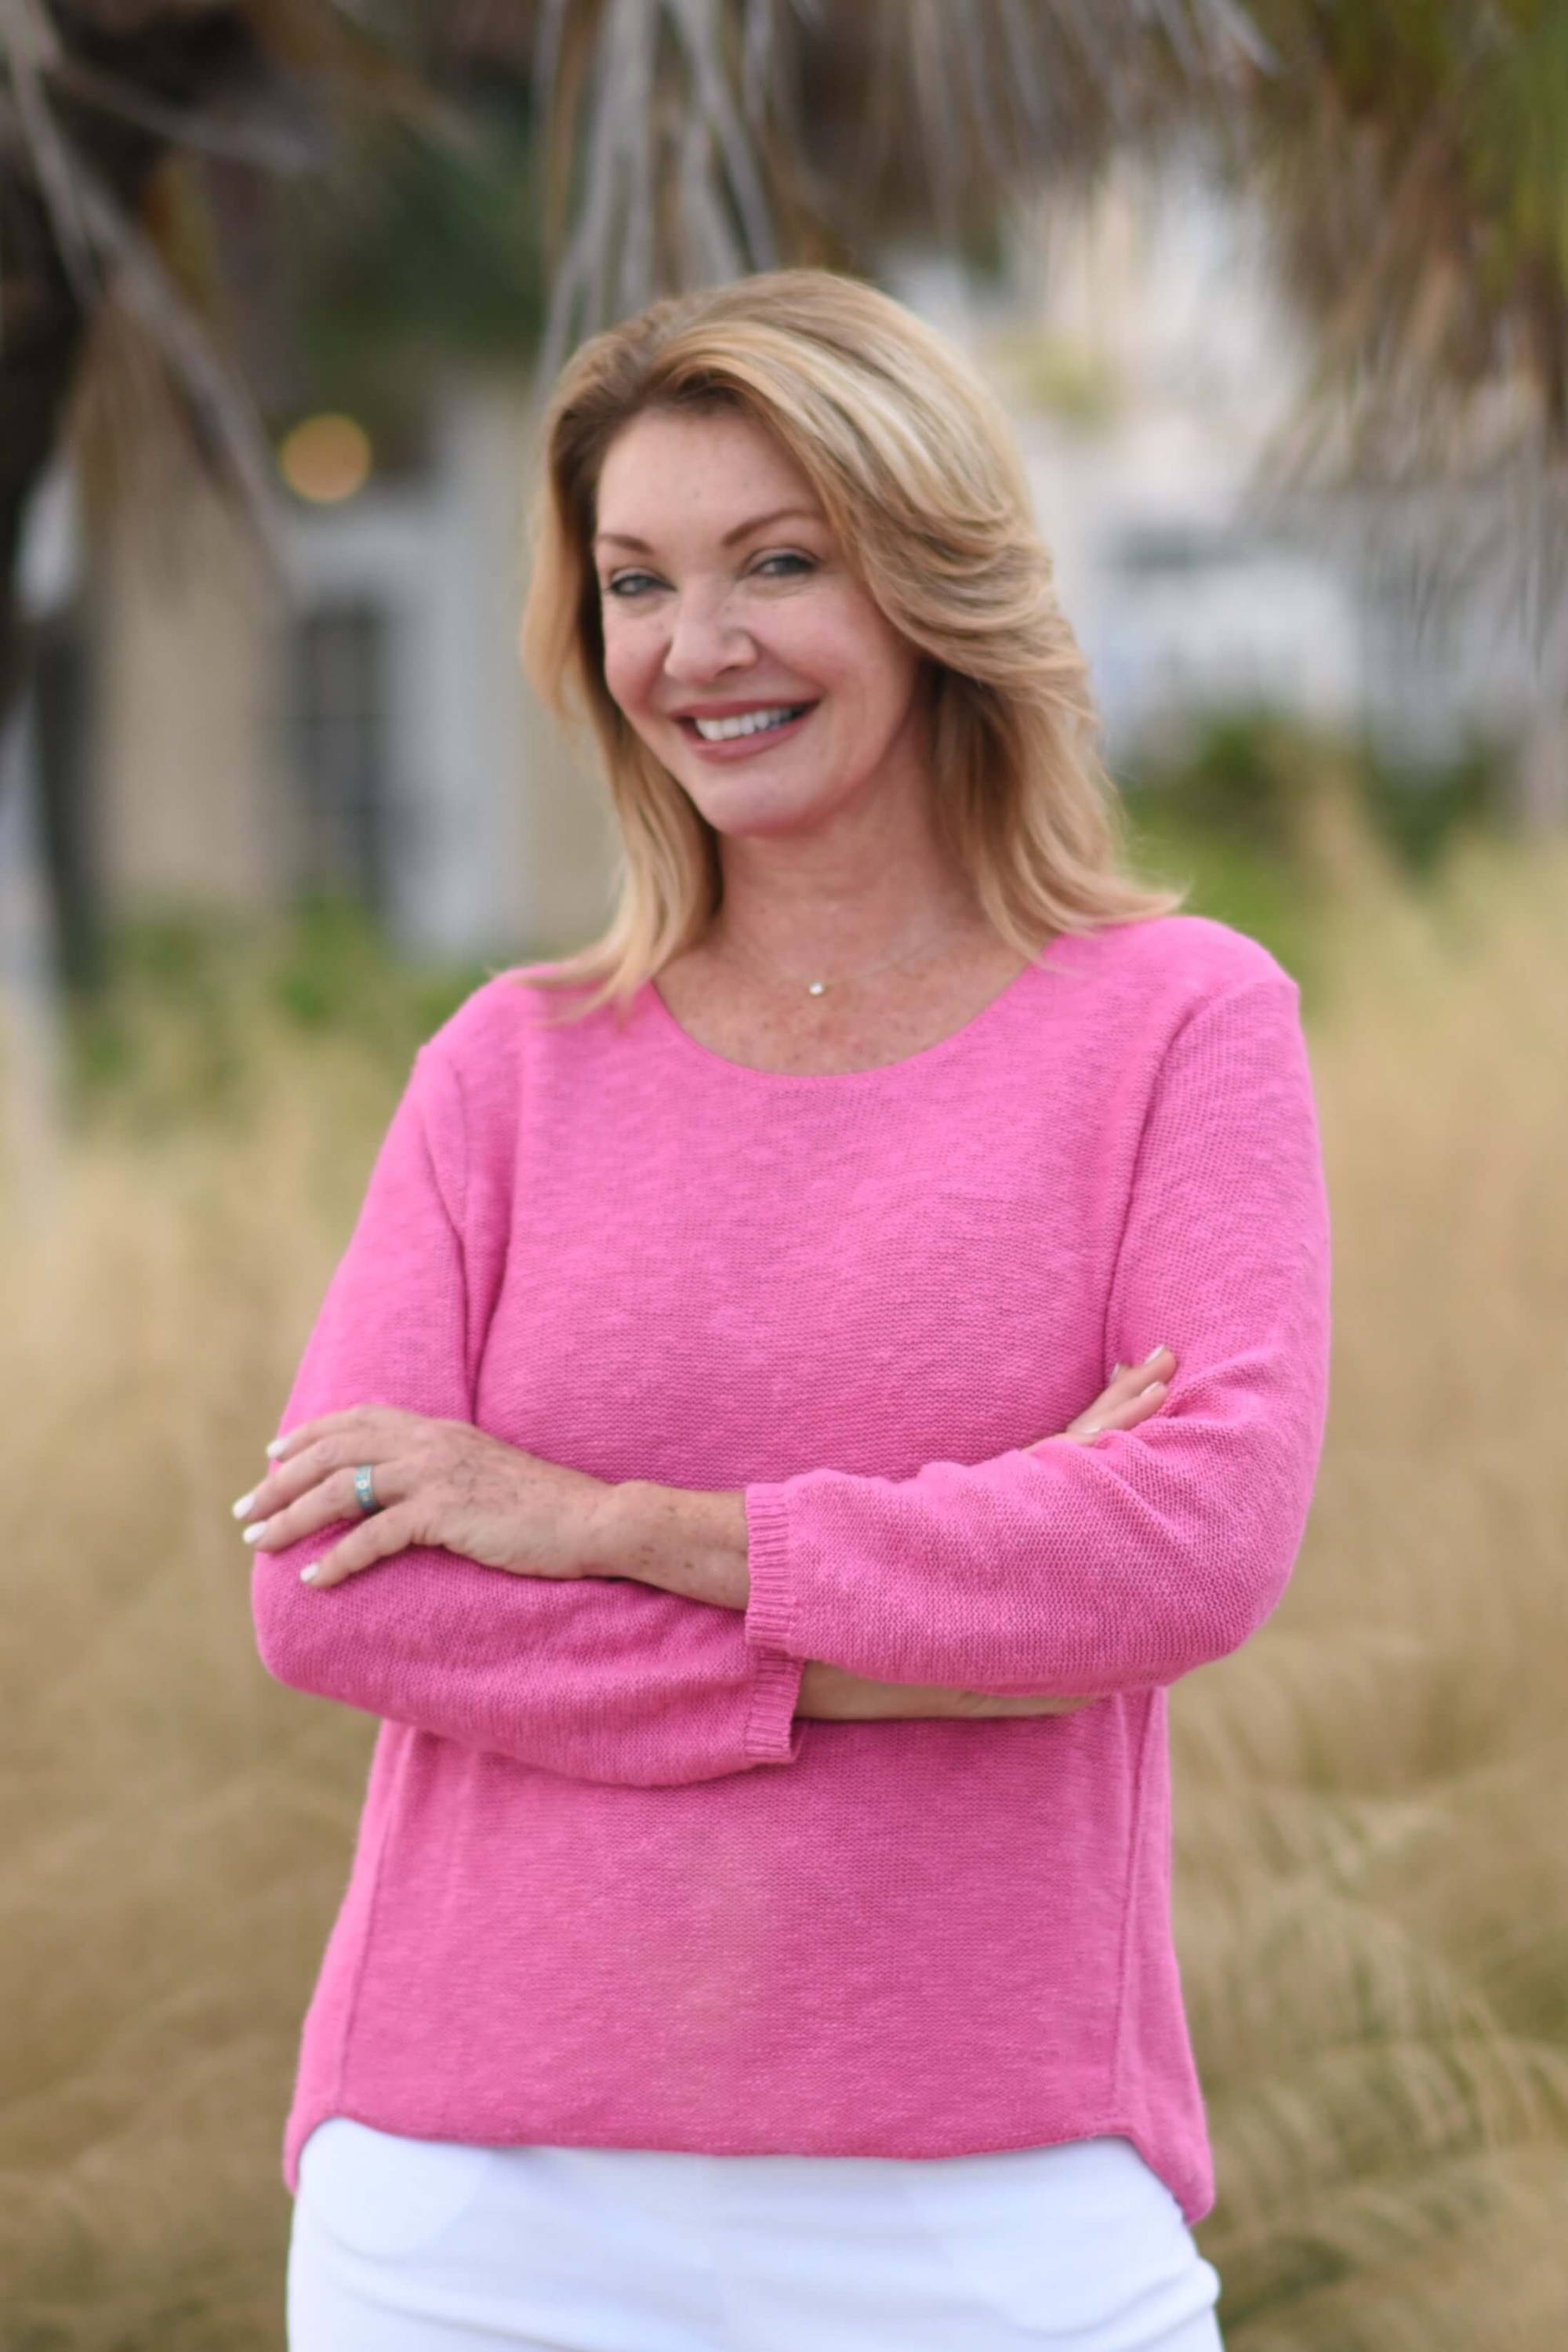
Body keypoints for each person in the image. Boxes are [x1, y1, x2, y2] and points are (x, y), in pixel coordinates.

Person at [240, 267, 1331, 2350]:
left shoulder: (1178, 1025)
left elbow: (1189, 1542)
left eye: (778, 562)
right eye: (636, 582)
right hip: (473, 2209)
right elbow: (333, 1599)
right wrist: (917, 1660)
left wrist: (605, 1525)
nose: (698, 646)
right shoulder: (509, 1066)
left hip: (991, 2200)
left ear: (931, 582)